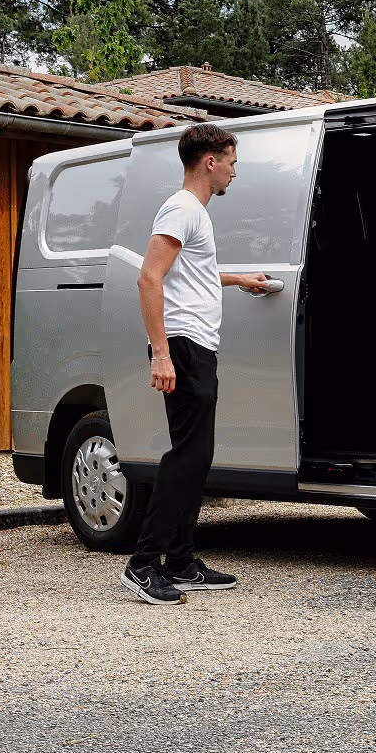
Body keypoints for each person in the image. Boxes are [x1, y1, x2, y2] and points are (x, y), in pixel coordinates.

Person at [120, 122, 271, 605]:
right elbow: (149, 279)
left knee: (197, 455)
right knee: (186, 455)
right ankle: (144, 564)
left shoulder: (195, 214)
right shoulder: (181, 208)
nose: (233, 173)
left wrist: (239, 279)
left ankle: (181, 561)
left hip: (196, 345)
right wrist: (161, 353)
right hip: (182, 347)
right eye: (231, 162)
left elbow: (194, 274)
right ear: (210, 161)